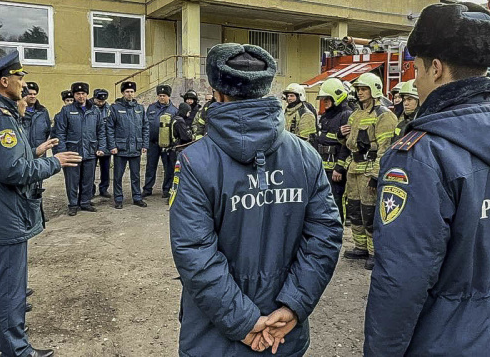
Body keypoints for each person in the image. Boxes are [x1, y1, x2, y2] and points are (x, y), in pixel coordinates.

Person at [364, 3, 490, 356]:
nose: (415, 81)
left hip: (441, 341)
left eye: (416, 70)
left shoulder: (420, 153)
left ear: (436, 69)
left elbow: (403, 277)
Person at [169, 43, 342, 356]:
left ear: (215, 90)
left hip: (215, 337)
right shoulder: (306, 157)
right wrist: (293, 306)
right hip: (282, 333)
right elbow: (325, 237)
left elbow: (194, 252)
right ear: (266, 88)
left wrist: (245, 322)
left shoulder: (195, 161)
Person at [0, 51, 82, 357]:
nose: (23, 84)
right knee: (10, 286)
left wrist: (35, 151)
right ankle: (15, 350)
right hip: (6, 211)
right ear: (4, 81)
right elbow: (13, 171)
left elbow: (3, 160)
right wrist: (54, 162)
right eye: (19, 77)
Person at [341, 72, 398, 270]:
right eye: (358, 89)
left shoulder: (385, 116)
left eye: (364, 89)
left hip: (368, 171)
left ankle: (375, 252)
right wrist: (343, 136)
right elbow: (351, 145)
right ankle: (360, 247)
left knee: (370, 213)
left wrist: (375, 176)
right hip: (354, 169)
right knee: (355, 210)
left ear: (374, 90)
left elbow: (385, 149)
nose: (360, 93)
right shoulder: (355, 115)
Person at [52, 82, 107, 216]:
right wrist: (62, 151)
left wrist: (101, 147)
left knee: (88, 179)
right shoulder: (66, 110)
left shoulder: (95, 111)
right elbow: (60, 133)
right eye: (78, 94)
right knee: (72, 180)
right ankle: (73, 204)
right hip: (72, 151)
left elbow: (101, 131)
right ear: (74, 95)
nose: (81, 96)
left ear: (87, 95)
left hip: (90, 150)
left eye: (83, 94)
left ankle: (85, 202)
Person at [312, 77, 352, 223]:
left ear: (337, 96)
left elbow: (346, 145)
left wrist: (339, 168)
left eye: (327, 98)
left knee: (337, 198)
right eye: (323, 99)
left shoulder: (346, 115)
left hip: (336, 167)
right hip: (324, 166)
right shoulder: (326, 116)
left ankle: (339, 226)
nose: (325, 102)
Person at [107, 81, 148, 209]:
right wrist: (112, 146)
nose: (129, 94)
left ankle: (137, 197)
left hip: (135, 147)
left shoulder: (140, 108)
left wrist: (144, 144)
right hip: (120, 148)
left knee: (136, 175)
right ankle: (118, 199)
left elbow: (145, 127)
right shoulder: (115, 108)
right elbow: (110, 128)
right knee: (118, 176)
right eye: (127, 92)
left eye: (131, 92)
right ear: (123, 93)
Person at [144, 85, 178, 199]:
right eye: (160, 95)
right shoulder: (151, 108)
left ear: (168, 96)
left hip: (167, 144)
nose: (162, 98)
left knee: (168, 167)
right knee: (150, 166)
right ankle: (147, 188)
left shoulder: (174, 110)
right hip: (152, 143)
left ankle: (166, 189)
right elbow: (145, 124)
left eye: (164, 96)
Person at [92, 88, 113, 199]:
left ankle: (104, 188)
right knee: (90, 169)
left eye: (102, 101)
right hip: (92, 142)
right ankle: (90, 189)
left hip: (106, 143)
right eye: (98, 101)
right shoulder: (89, 108)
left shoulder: (109, 109)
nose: (100, 103)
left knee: (105, 168)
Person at [21, 82, 51, 152]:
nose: (33, 96)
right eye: (30, 94)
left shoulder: (43, 111)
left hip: (40, 151)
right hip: (24, 151)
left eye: (34, 94)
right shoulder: (19, 111)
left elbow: (48, 131)